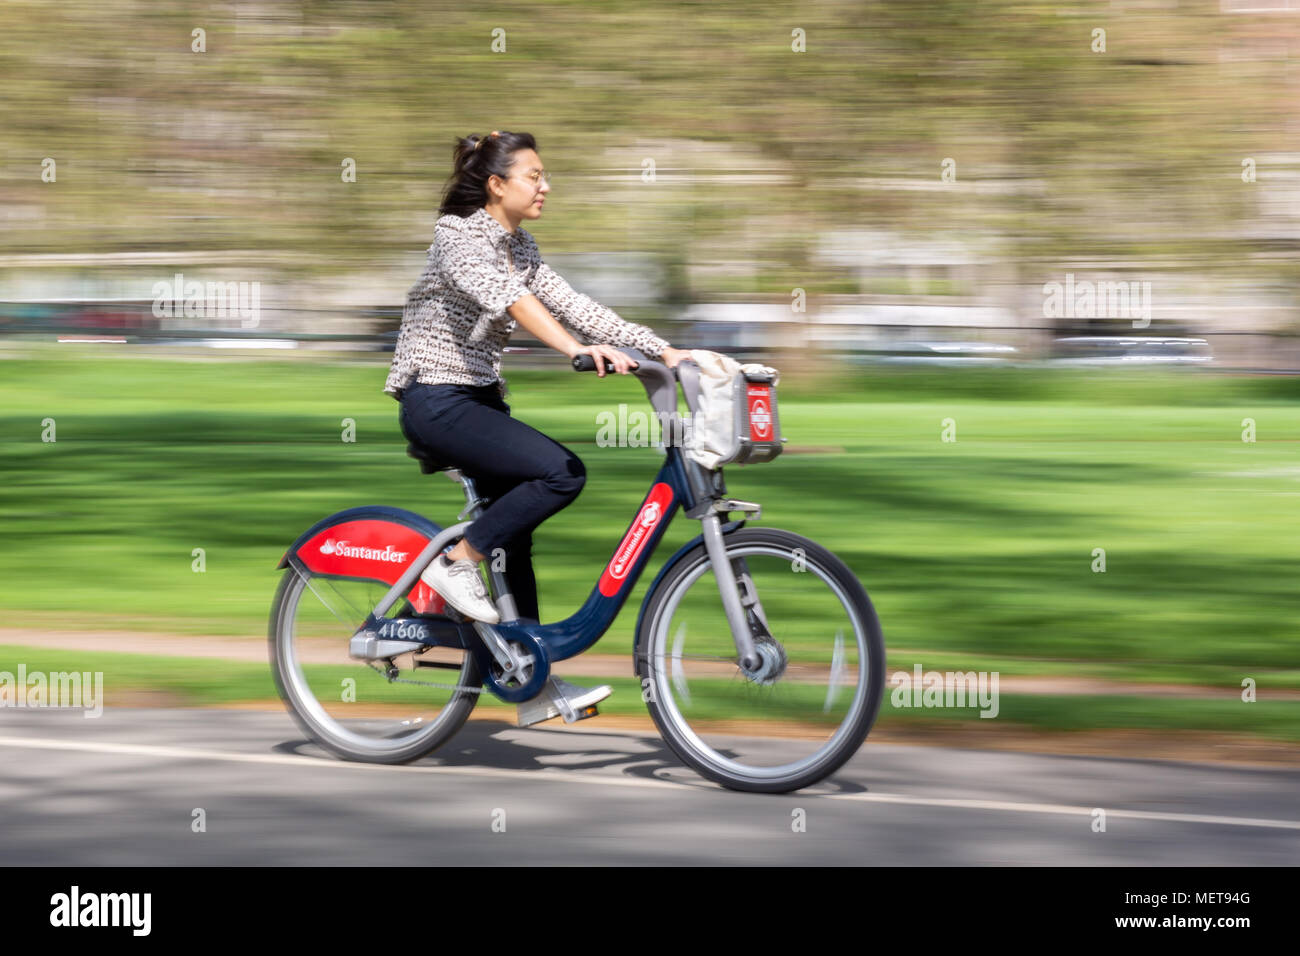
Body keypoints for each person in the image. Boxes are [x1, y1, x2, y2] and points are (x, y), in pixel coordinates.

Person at [384, 130, 690, 718]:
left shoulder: (520, 246)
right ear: (496, 185)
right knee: (559, 473)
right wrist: (574, 349)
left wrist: (663, 350)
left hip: (478, 402)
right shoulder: (458, 237)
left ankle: (529, 678)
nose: (545, 186)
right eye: (534, 176)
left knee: (514, 535)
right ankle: (456, 564)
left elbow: (574, 303)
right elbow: (511, 302)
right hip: (436, 400)